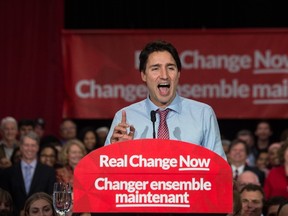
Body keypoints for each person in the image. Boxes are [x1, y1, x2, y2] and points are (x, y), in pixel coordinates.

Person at [104, 40, 226, 159]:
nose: (164, 76)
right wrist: (116, 155)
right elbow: (106, 173)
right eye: (155, 68)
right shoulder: (125, 118)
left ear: (178, 73)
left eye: (170, 68)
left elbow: (219, 170)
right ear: (143, 75)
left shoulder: (203, 114)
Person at [1, 131, 56, 216]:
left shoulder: (49, 172)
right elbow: (5, 198)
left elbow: (50, 197)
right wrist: (19, 212)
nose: (30, 148)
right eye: (26, 145)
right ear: (21, 147)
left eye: (33, 145)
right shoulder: (7, 172)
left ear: (38, 147)